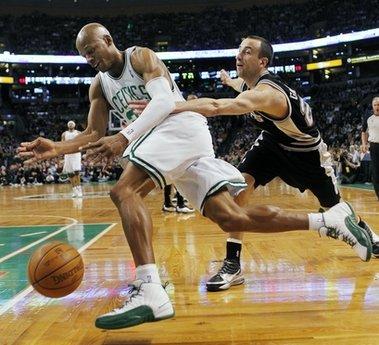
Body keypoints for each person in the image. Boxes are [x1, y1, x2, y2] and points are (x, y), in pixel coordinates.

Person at [17, 25, 372, 330]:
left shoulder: (140, 57)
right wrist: (59, 148)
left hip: (178, 129)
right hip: (168, 140)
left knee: (124, 190)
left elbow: (159, 105)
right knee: (230, 216)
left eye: (92, 50)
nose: (89, 58)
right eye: (83, 55)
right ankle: (328, 220)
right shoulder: (99, 86)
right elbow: (94, 132)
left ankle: (150, 289)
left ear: (107, 40)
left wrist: (124, 137)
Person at [132, 35, 379, 292]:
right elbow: (242, 87)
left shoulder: (268, 93)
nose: (239, 56)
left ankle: (369, 236)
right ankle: (232, 264)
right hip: (271, 144)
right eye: (239, 50)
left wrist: (167, 106)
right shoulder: (253, 84)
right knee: (240, 190)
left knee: (334, 207)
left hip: (306, 152)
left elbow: (216, 106)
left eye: (247, 52)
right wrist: (229, 81)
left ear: (262, 62)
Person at [362, 96, 379, 200]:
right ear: (372, 106)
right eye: (375, 105)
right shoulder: (368, 118)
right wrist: (364, 144)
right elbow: (363, 132)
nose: (377, 107)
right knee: (376, 171)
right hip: (374, 146)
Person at [61, 120, 83, 197]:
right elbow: (62, 145)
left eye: (72, 123)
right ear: (68, 125)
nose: (70, 124)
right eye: (69, 124)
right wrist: (62, 155)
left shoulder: (79, 133)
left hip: (76, 153)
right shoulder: (64, 134)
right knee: (70, 173)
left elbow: (82, 142)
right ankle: (74, 189)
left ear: (74, 125)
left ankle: (79, 188)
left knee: (76, 172)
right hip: (68, 154)